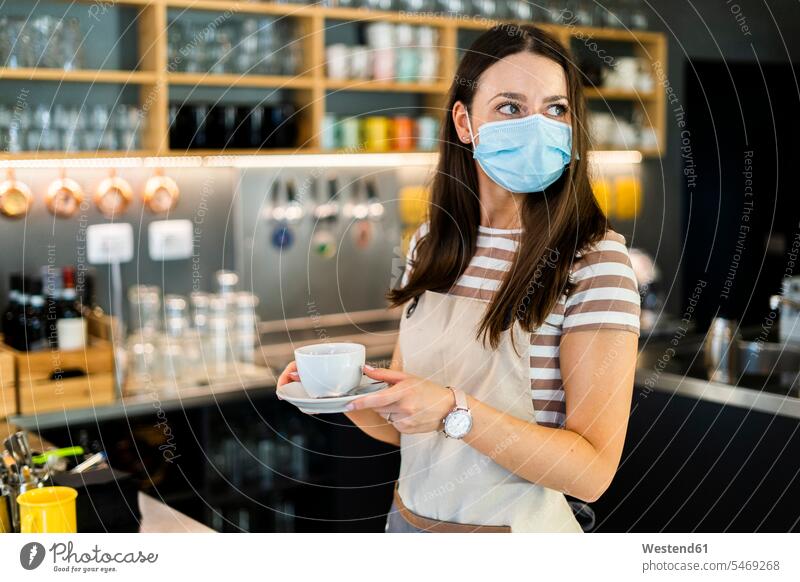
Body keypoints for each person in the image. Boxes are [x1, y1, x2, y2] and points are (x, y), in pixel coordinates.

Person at [279, 24, 640, 533]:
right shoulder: (431, 243)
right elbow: (410, 428)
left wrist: (456, 409)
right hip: (408, 529)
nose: (537, 125)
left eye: (556, 109)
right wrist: (340, 396)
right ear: (465, 123)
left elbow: (592, 472)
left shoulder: (595, 262)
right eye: (511, 107)